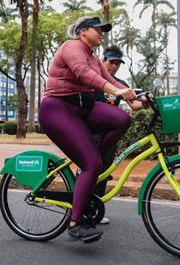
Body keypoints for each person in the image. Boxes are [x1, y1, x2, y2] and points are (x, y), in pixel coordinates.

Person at [38, 16, 137, 242]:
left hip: (84, 108)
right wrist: (118, 91)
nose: (102, 33)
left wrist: (136, 97)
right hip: (58, 110)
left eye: (104, 30)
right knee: (92, 163)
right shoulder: (72, 46)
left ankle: (91, 159)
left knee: (122, 120)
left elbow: (111, 80)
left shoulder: (94, 57)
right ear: (83, 31)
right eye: (98, 29)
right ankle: (75, 223)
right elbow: (83, 74)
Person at [92, 45, 148, 225]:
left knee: (105, 172)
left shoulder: (119, 84)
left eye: (117, 63)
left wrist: (146, 104)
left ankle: (94, 210)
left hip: (110, 134)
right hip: (91, 132)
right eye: (111, 62)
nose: (114, 66)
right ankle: (77, 208)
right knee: (90, 169)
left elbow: (134, 105)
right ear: (103, 60)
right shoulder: (93, 79)